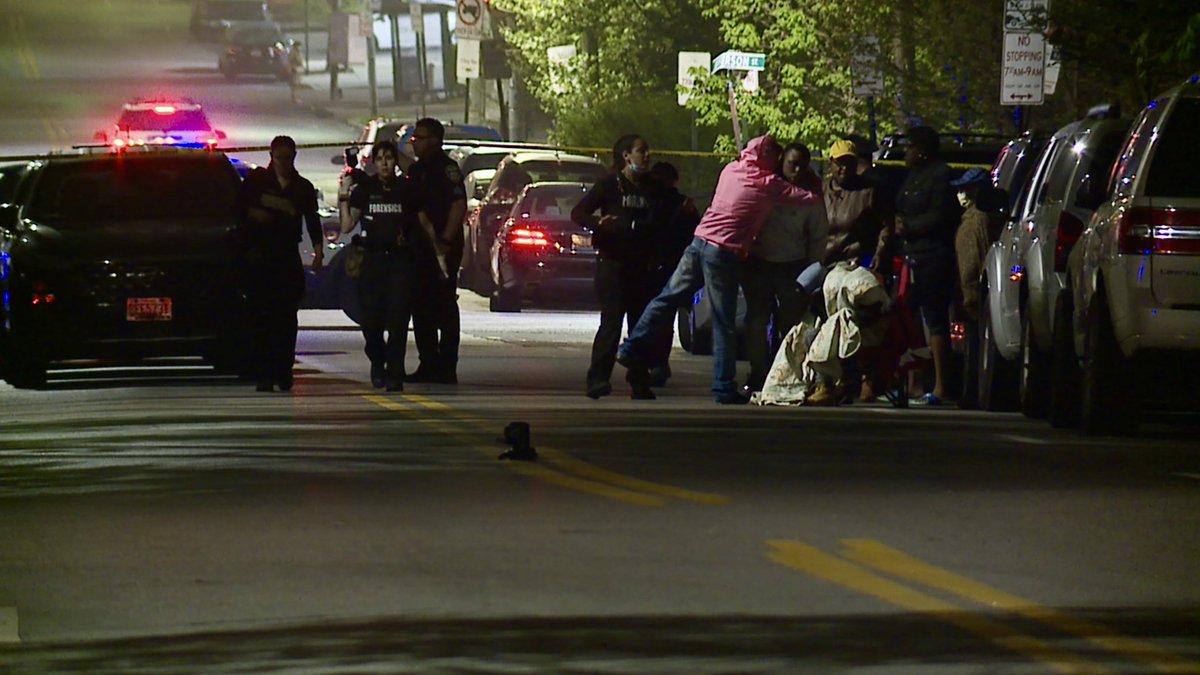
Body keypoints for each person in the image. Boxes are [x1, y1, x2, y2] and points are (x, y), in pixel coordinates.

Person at [616, 135, 822, 404]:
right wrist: (815, 184)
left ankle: (631, 346)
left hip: (698, 242)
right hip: (723, 252)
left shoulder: (730, 170)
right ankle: (723, 386)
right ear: (769, 158)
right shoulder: (768, 183)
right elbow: (807, 200)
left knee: (666, 299)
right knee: (723, 322)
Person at [572, 134, 667, 400]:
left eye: (647, 151)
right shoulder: (609, 185)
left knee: (641, 325)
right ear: (626, 156)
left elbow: (665, 214)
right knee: (612, 322)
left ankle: (639, 380)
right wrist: (599, 224)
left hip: (642, 265)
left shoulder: (653, 187)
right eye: (640, 151)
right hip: (612, 263)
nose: (646, 156)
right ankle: (598, 379)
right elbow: (578, 213)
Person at [234, 135, 324, 392]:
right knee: (261, 317)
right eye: (278, 158)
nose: (283, 163)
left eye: (287, 158)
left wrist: (318, 250)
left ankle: (283, 372)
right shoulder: (257, 182)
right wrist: (255, 215)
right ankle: (264, 373)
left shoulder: (302, 187)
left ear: (294, 157)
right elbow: (237, 208)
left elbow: (312, 219)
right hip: (260, 257)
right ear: (271, 156)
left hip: (286, 256)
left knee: (286, 318)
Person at [741, 142, 828, 394]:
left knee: (790, 324)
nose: (797, 169)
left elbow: (818, 235)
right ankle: (758, 371)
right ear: (782, 162)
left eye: (803, 164)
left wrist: (812, 271)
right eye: (792, 163)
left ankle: (785, 372)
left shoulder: (811, 194)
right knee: (756, 320)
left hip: (793, 266)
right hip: (759, 262)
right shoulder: (766, 184)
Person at [338, 140, 419, 391]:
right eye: (380, 158)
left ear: (395, 161)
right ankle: (377, 360)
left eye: (389, 157)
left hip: (398, 261)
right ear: (373, 161)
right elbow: (347, 225)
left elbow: (417, 223)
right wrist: (343, 194)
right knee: (371, 321)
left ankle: (394, 373)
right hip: (371, 261)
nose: (385, 163)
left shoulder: (405, 190)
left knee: (397, 320)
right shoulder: (365, 189)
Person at [894, 126, 961, 405]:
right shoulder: (911, 176)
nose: (905, 152)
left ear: (921, 148)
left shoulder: (941, 175)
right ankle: (914, 383)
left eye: (909, 146)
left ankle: (942, 384)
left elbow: (941, 216)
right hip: (910, 256)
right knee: (908, 321)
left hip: (933, 257)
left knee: (934, 319)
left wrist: (909, 226)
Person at [403, 118, 468, 384]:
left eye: (419, 138)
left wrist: (446, 239)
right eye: (413, 139)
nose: (415, 143)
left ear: (436, 141)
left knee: (444, 307)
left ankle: (446, 366)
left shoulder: (447, 169)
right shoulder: (418, 171)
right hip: (419, 249)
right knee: (420, 307)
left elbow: (458, 205)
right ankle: (427, 363)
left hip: (442, 248)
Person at [646, 160, 700, 387]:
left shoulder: (652, 201)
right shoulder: (679, 203)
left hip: (654, 263)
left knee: (652, 314)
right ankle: (657, 362)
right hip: (669, 264)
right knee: (663, 316)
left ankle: (652, 361)